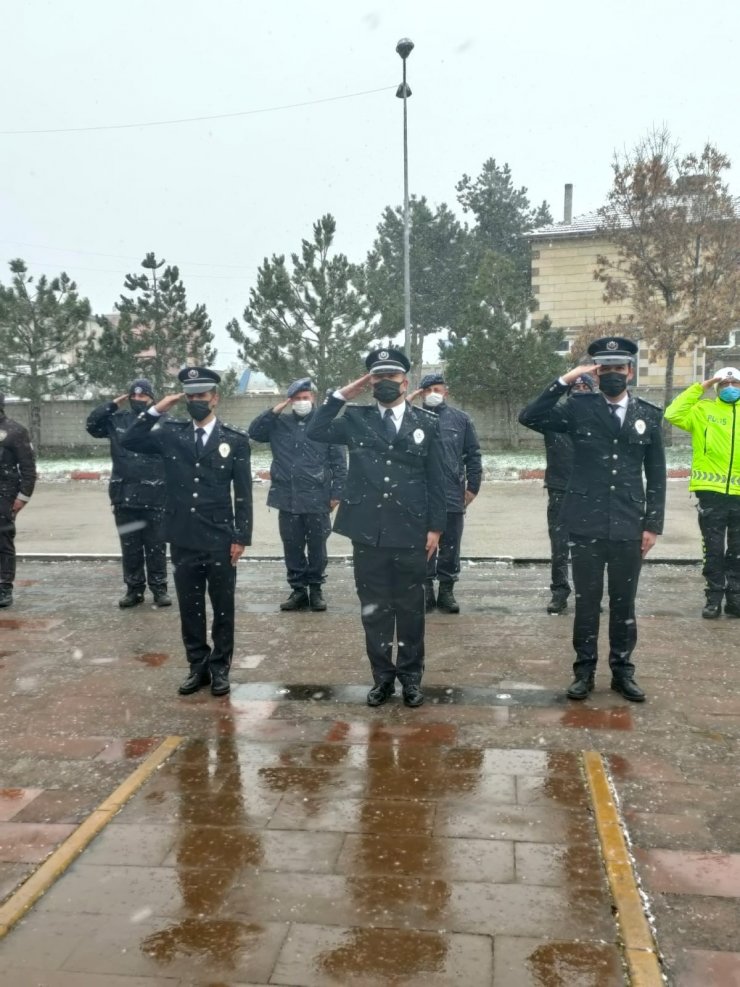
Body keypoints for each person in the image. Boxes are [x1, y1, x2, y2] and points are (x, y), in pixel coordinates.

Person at [519, 337, 666, 702]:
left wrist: (653, 524)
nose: (613, 374)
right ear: (596, 372)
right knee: (587, 602)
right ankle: (583, 671)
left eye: (619, 368)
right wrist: (565, 379)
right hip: (585, 521)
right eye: (605, 369)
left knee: (623, 601)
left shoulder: (648, 414)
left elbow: (657, 474)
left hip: (629, 523)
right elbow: (530, 416)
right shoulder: (578, 408)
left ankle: (622, 671)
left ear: (630, 372)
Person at [306, 347, 446, 708]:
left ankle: (412, 680)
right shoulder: (357, 419)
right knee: (375, 610)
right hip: (368, 531)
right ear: (371, 382)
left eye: (391, 376)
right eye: (378, 377)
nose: (386, 382)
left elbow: (438, 480)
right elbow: (315, 429)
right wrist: (341, 395)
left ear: (405, 380)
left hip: (412, 531)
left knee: (412, 610)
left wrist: (436, 528)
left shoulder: (427, 424)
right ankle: (382, 679)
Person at [121, 367, 252, 697]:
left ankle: (220, 668)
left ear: (215, 398)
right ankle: (198, 666)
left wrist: (241, 537)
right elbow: (130, 439)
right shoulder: (171, 434)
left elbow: (244, 493)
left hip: (221, 538)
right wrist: (157, 408)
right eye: (190, 396)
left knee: (223, 608)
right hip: (182, 537)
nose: (196, 401)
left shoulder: (234, 440)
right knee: (190, 608)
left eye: (201, 396)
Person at [248, 377, 346, 612]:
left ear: (312, 398)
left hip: (317, 497)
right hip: (287, 497)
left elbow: (339, 464)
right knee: (291, 546)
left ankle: (316, 590)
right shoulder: (279, 423)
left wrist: (337, 493)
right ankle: (298, 590)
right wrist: (276, 409)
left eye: (305, 398)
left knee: (317, 546)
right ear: (290, 401)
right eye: (297, 399)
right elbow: (255, 431)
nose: (302, 402)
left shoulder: (325, 423)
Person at [86, 378, 171, 609]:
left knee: (156, 545)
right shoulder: (117, 420)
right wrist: (112, 405)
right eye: (133, 396)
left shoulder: (165, 422)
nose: (137, 400)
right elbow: (92, 426)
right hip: (124, 494)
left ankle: (159, 588)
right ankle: (134, 589)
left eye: (142, 396)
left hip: (156, 494)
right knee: (130, 545)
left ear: (151, 398)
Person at [665, 366, 740, 619]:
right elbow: (673, 413)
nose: (730, 388)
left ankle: (736, 598)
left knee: (738, 550)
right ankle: (713, 597)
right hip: (711, 494)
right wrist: (701, 387)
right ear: (717, 387)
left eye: (735, 384)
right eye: (725, 384)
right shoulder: (702, 410)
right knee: (714, 549)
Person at [409, 372, 482, 614]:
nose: (432, 395)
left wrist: (472, 487)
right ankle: (426, 588)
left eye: (437, 390)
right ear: (420, 393)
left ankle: (447, 590)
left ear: (445, 392)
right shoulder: (411, 417)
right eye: (427, 391)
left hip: (451, 493)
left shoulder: (460, 420)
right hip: (421, 495)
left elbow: (472, 455)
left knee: (451, 545)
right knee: (424, 545)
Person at [523, 373, 595, 614]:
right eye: (576, 387)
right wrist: (559, 384)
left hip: (591, 492)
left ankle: (589, 594)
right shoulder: (556, 420)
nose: (581, 390)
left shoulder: (599, 420)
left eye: (586, 386)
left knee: (590, 549)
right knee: (560, 548)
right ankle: (560, 592)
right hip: (560, 489)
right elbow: (528, 415)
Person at [0, 392, 37, 608]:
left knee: (2, 542)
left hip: (4, 496)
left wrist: (22, 498)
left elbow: (28, 469)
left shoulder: (15, 431)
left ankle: (4, 587)